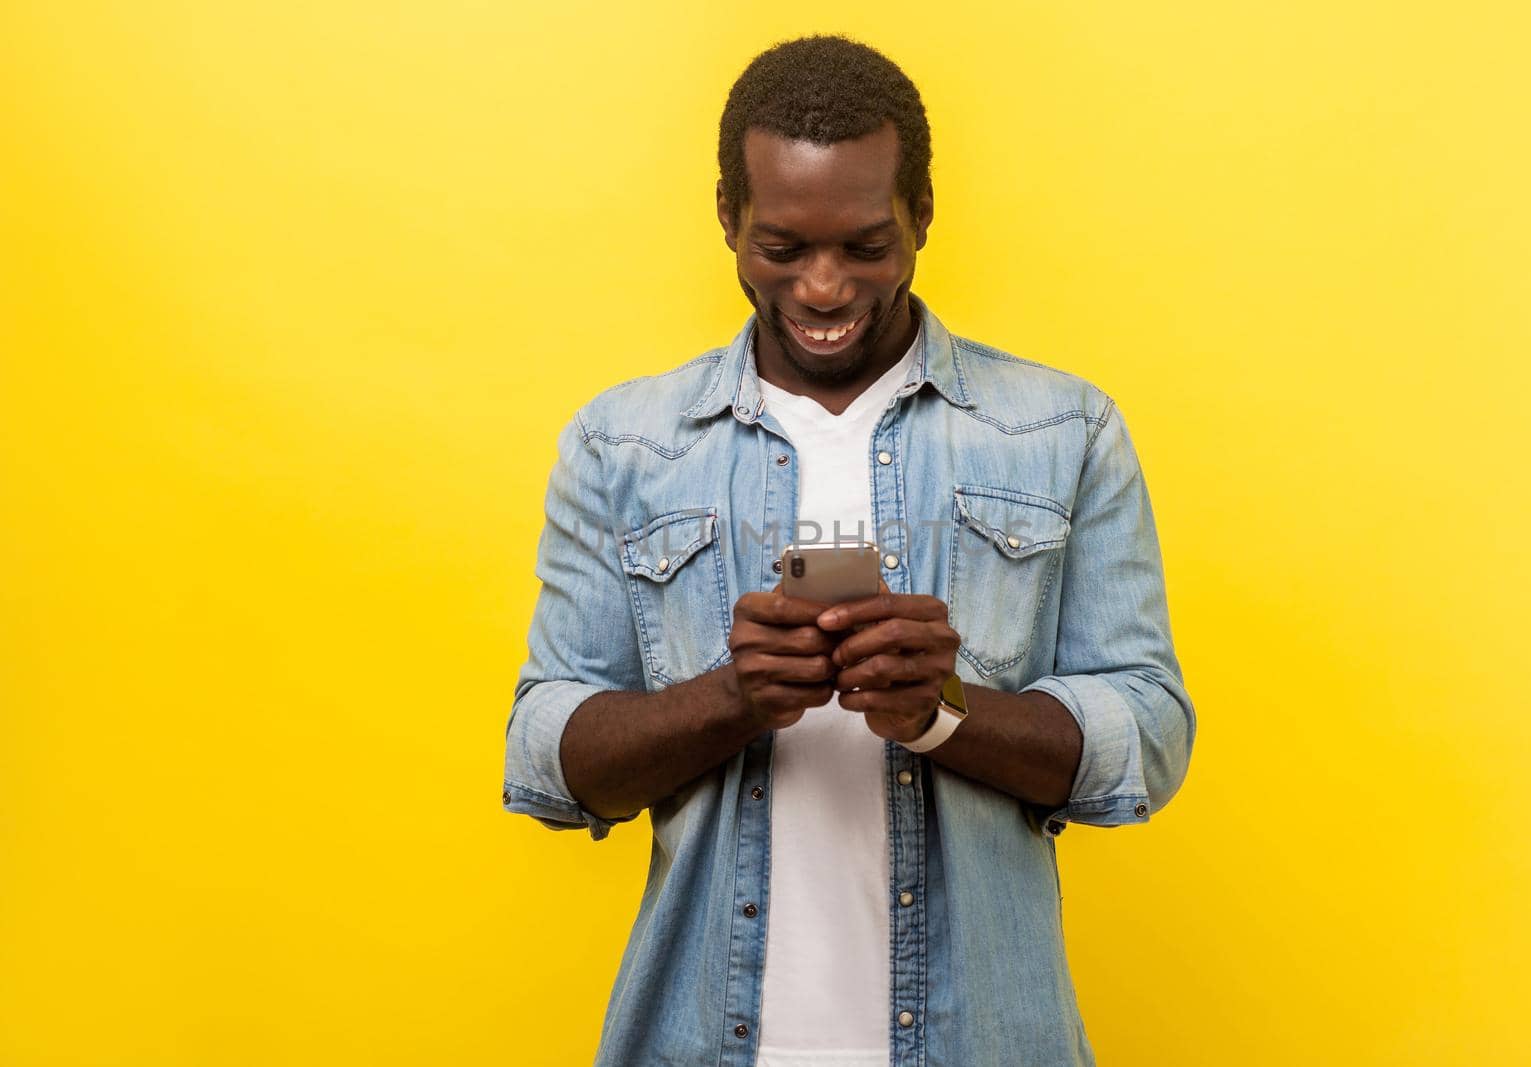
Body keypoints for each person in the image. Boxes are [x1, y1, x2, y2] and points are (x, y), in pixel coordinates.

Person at [502, 34, 1196, 1067]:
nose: (824, 289)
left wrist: (939, 712)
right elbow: (547, 758)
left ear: (920, 213)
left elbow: (1149, 735)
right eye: (782, 249)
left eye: (864, 246)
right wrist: (731, 694)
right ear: (729, 220)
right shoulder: (623, 445)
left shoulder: (1062, 430)